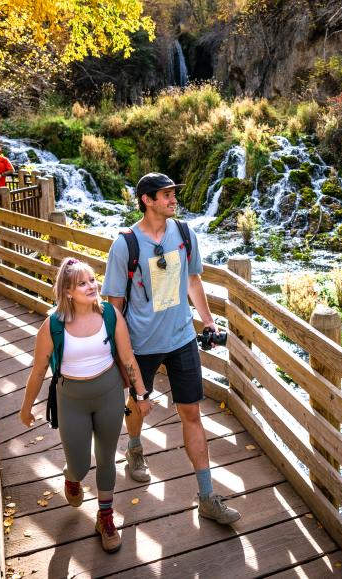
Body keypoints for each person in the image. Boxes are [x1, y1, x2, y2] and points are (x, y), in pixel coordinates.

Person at [101, 172, 240, 525]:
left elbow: (193, 281)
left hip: (181, 339)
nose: (173, 200)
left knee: (191, 413)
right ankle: (134, 449)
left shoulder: (184, 234)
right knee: (137, 405)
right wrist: (122, 352)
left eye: (173, 194)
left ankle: (207, 497)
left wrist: (208, 322)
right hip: (141, 345)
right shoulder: (125, 245)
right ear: (147, 200)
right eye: (166, 195)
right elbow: (114, 305)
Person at [19, 258, 153, 553]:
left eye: (93, 280)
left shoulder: (110, 315)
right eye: (82, 283)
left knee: (107, 458)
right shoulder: (52, 325)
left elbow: (128, 358)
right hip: (72, 400)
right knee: (79, 465)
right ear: (67, 291)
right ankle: (71, 477)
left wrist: (141, 395)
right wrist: (26, 407)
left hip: (109, 394)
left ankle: (105, 517)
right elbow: (39, 370)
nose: (92, 286)